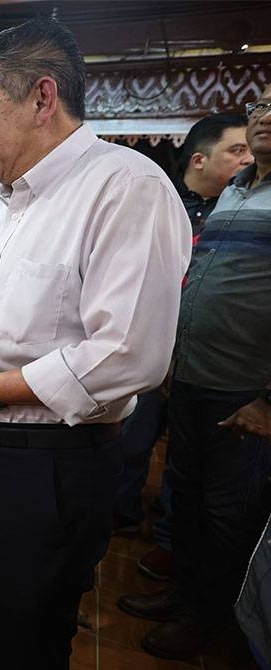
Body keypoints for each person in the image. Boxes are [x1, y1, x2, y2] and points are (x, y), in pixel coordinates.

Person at [0, 19, 191, 668]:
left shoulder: (125, 187)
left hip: (46, 467)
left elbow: (126, 352)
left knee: (21, 641)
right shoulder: (9, 203)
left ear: (42, 98)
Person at [118, 85, 271, 661]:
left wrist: (268, 403)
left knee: (226, 514)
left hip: (244, 391)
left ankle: (209, 621)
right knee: (185, 498)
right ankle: (185, 596)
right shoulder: (235, 189)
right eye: (260, 107)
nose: (264, 119)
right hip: (193, 379)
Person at [113, 113, 253, 581]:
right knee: (146, 446)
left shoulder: (237, 211)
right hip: (157, 355)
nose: (247, 158)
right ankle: (130, 520)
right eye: (237, 150)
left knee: (214, 486)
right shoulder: (160, 203)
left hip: (228, 373)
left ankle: (188, 572)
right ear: (199, 159)